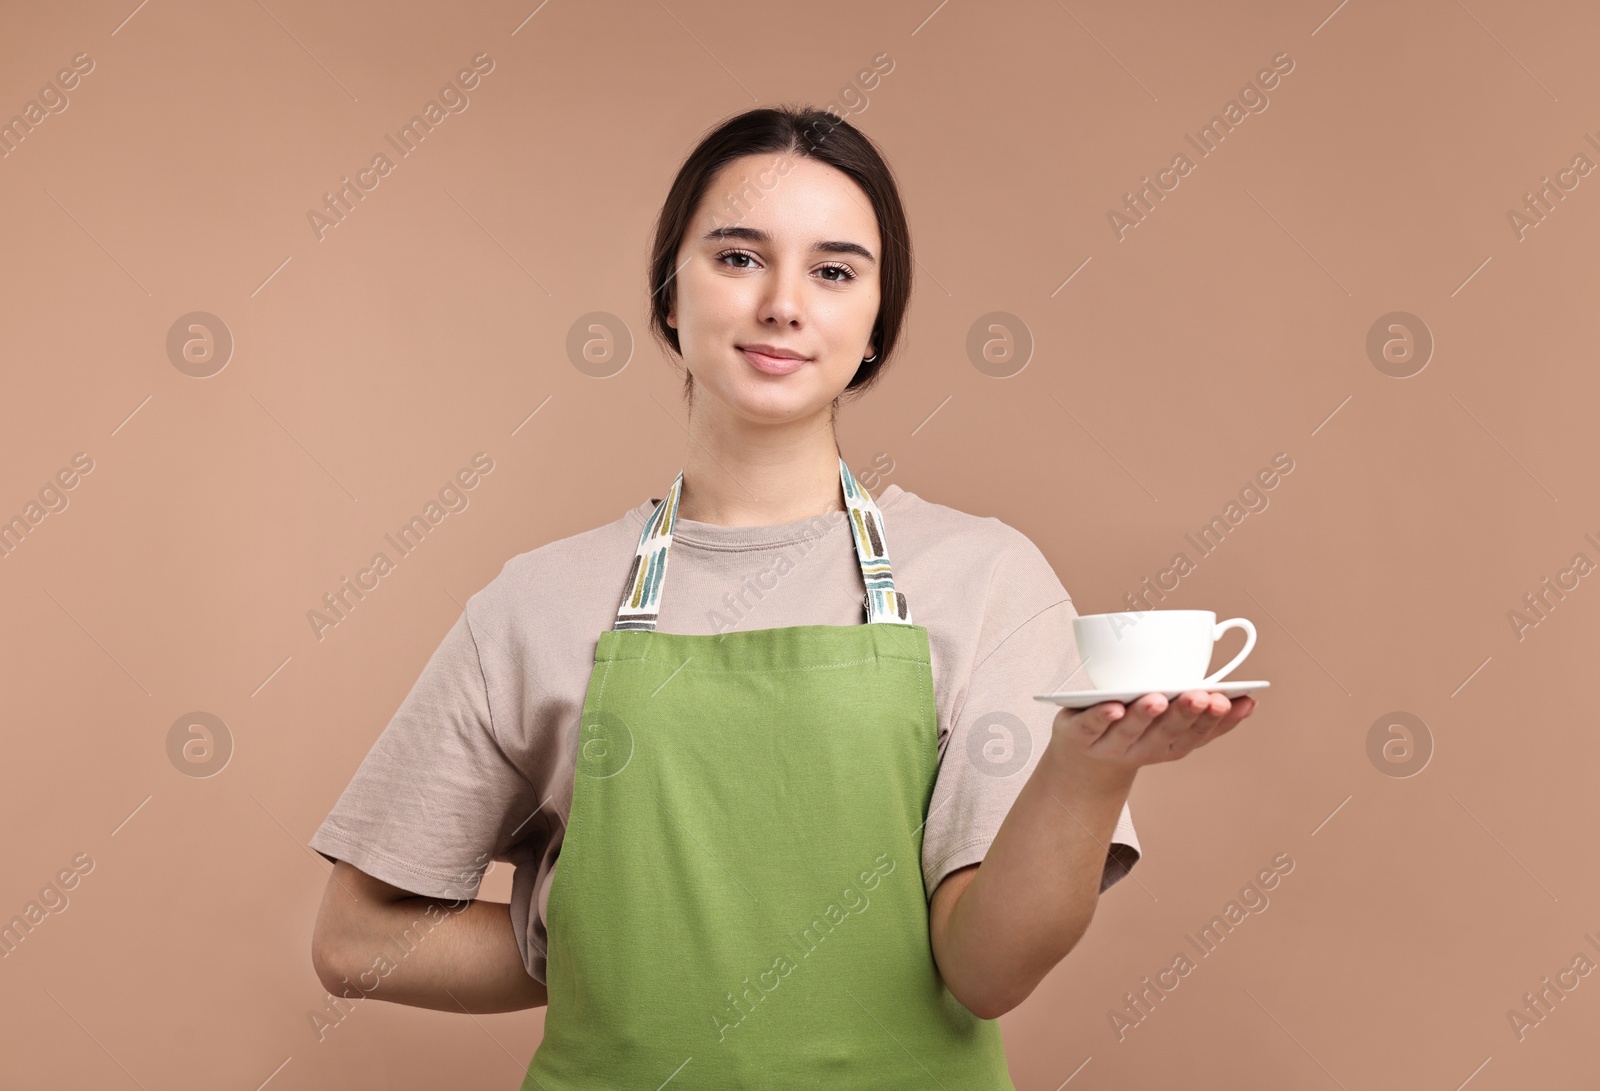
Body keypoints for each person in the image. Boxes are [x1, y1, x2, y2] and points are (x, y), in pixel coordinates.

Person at [307, 104, 1257, 1089]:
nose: (783, 304)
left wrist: (1086, 768)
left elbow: (985, 969)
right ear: (670, 294)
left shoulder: (985, 580)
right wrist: (590, 932)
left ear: (874, 327)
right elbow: (352, 938)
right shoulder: (535, 602)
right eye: (737, 257)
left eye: (835, 271)